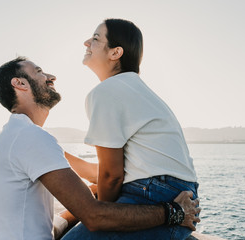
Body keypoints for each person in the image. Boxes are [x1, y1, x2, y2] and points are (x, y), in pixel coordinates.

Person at [0, 57, 201, 240]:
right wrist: (173, 212)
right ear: (20, 83)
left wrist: (97, 191)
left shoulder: (16, 134)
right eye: (39, 72)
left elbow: (88, 177)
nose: (51, 77)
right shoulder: (31, 137)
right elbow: (94, 217)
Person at [62, 19, 200, 240]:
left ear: (115, 52)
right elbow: (111, 170)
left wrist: (102, 215)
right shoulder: (136, 90)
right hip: (175, 193)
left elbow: (111, 176)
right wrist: (58, 156)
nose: (86, 42)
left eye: (96, 38)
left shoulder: (107, 91)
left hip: (155, 198)